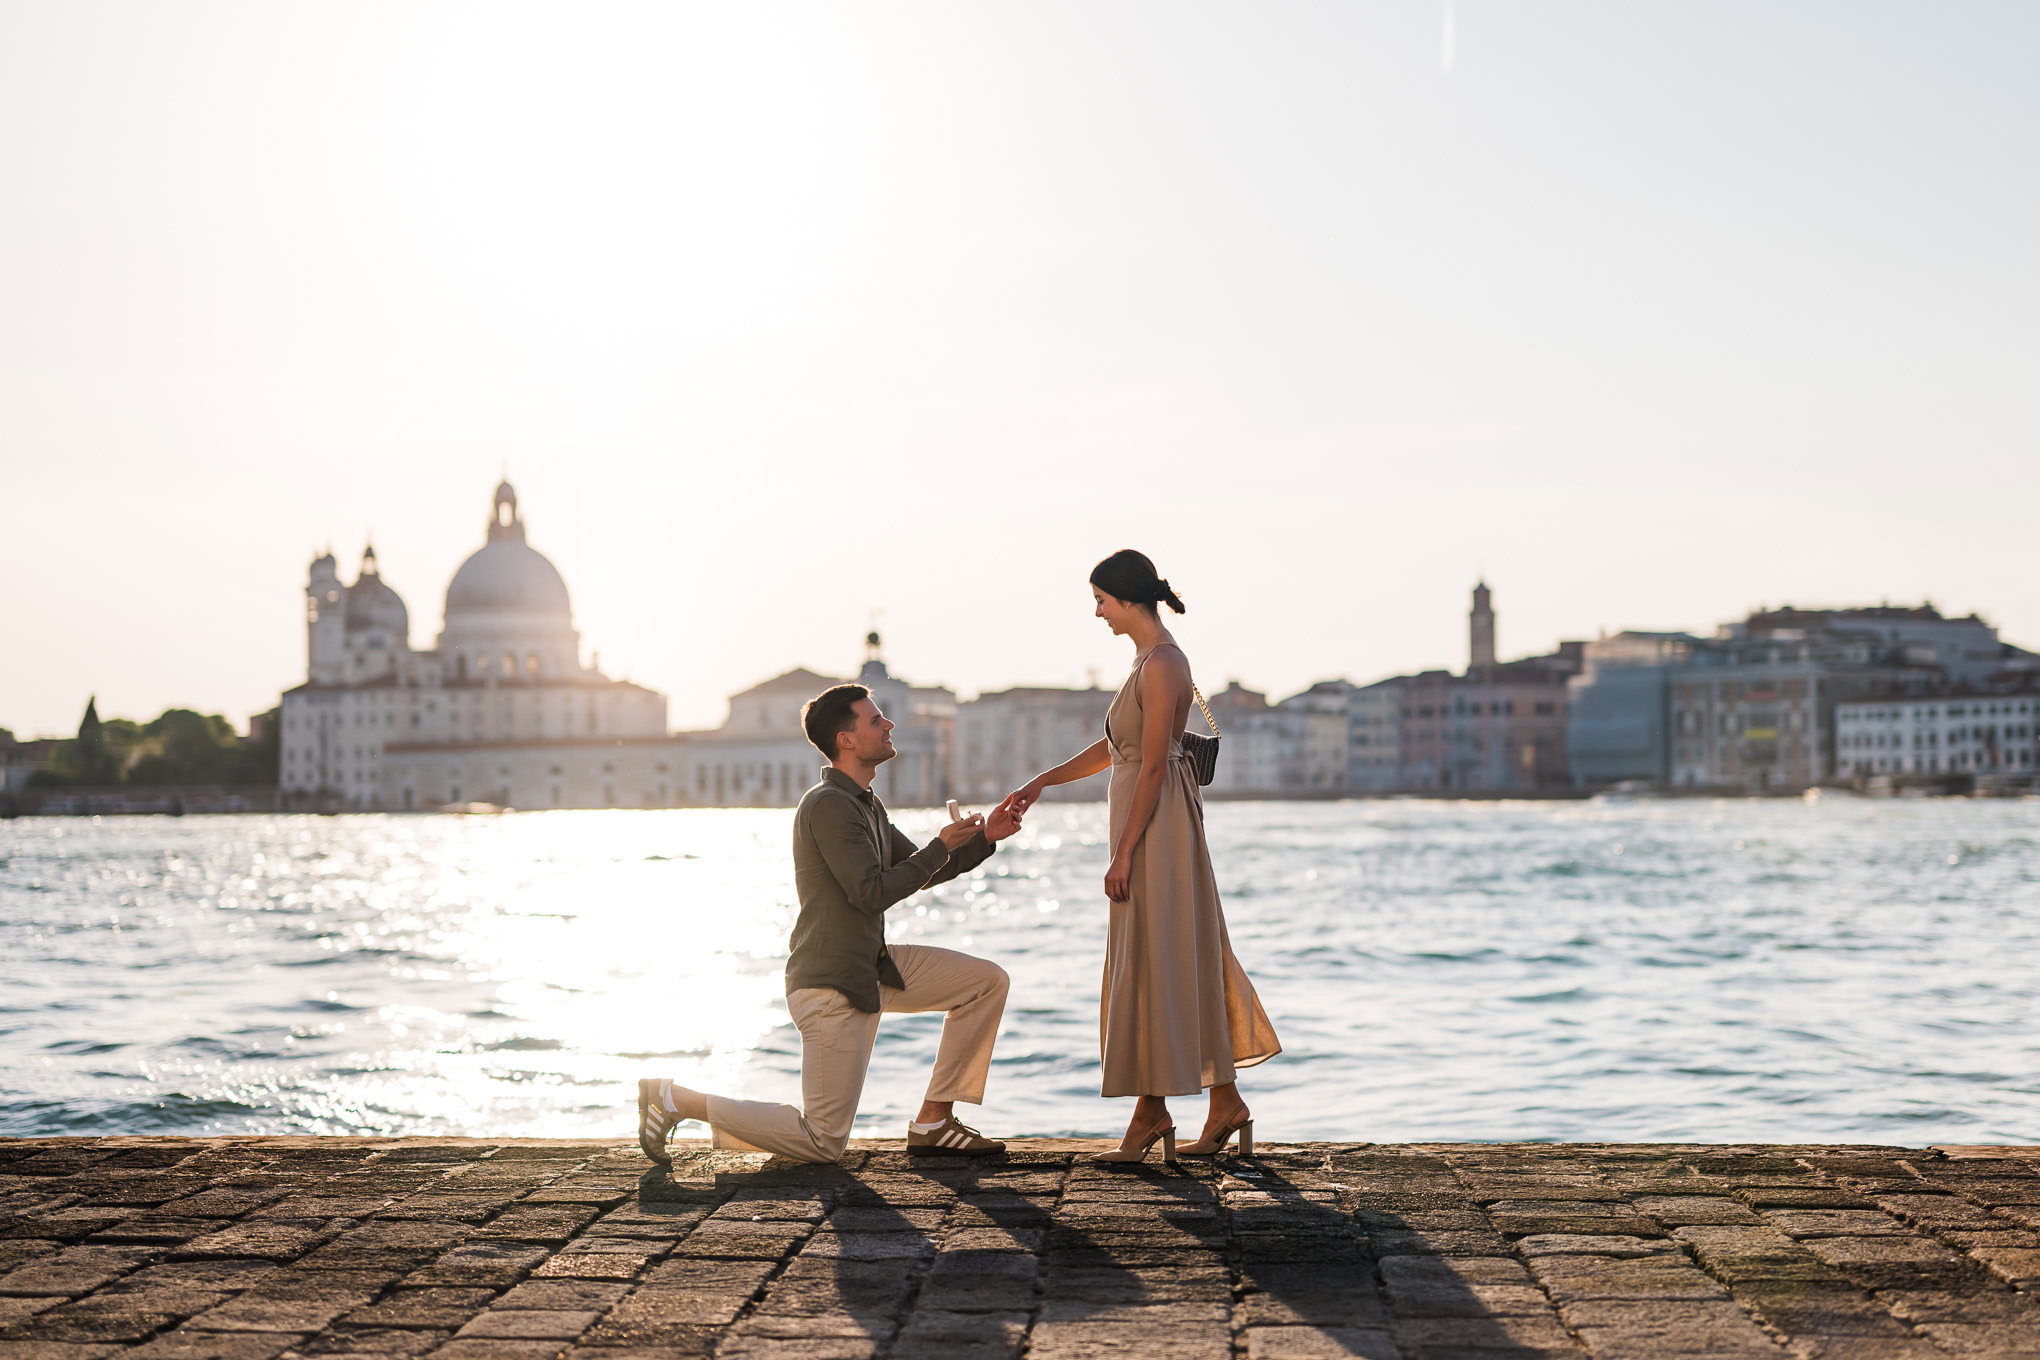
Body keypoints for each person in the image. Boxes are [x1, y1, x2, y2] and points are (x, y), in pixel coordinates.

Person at [637, 683, 1024, 1164]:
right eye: (876, 720)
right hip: (832, 985)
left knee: (985, 983)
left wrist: (985, 836)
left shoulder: (865, 803)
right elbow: (871, 893)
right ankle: (674, 1100)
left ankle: (933, 1122)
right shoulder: (828, 805)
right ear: (847, 739)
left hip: (873, 968)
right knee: (823, 1142)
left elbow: (922, 872)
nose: (889, 726)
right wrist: (940, 845)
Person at [1007, 550, 1280, 1163]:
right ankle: (1214, 1104)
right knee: (1167, 955)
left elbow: (1154, 765)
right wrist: (1043, 782)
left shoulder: (1162, 664)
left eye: (1101, 600)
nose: (1098, 612)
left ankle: (1158, 1112)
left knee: (1158, 956)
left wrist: (1123, 854)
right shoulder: (1146, 662)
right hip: (1147, 822)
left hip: (1157, 829)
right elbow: (1118, 750)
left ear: (1127, 599)